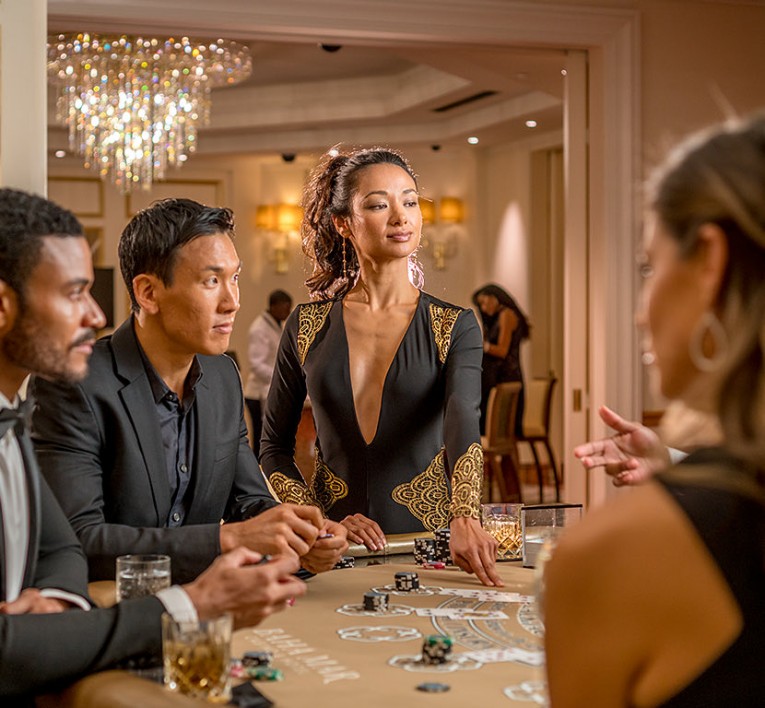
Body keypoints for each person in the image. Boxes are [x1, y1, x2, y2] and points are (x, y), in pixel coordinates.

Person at [0, 188, 306, 704]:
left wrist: (56, 602)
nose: (96, 315)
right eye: (76, 292)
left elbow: (59, 551)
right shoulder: (70, 387)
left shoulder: (10, 416)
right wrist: (192, 602)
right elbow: (80, 545)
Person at [544, 115, 765, 705]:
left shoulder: (613, 554)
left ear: (710, 263)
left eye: (650, 266)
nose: (642, 311)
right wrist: (673, 460)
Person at [31, 198, 346, 584]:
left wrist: (299, 535)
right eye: (211, 281)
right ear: (148, 293)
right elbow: (78, 542)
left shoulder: (223, 377)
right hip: (114, 618)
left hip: (212, 609)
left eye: (234, 278)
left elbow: (249, 503)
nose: (233, 302)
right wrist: (225, 539)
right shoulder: (75, 383)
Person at [259, 147, 502, 587]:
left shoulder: (454, 325)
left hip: (427, 547)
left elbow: (463, 419)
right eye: (378, 204)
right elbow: (272, 446)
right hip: (330, 551)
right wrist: (315, 522)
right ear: (343, 223)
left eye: (409, 201)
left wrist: (465, 515)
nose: (400, 217)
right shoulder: (307, 324)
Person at [472, 284, 530, 436]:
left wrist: (481, 346)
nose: (483, 308)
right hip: (502, 378)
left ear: (495, 298)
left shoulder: (506, 315)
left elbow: (503, 350)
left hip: (507, 380)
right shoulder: (498, 317)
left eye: (484, 302)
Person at [244, 289, 293, 458]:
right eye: (285, 307)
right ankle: (259, 475)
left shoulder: (277, 325)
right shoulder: (260, 329)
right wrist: (281, 377)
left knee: (269, 437)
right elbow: (256, 364)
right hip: (257, 393)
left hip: (269, 388)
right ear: (274, 306)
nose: (288, 312)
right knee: (260, 438)